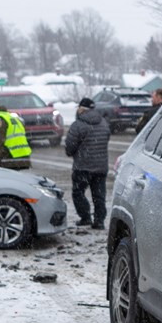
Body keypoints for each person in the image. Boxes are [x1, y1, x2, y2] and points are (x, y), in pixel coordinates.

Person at [64, 97, 110, 229]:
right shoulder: (103, 122)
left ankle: (85, 217)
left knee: (78, 193)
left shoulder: (78, 124)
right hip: (101, 167)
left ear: (81, 109)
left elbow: (70, 147)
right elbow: (106, 138)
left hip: (83, 167)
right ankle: (99, 221)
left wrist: (74, 152)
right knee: (99, 195)